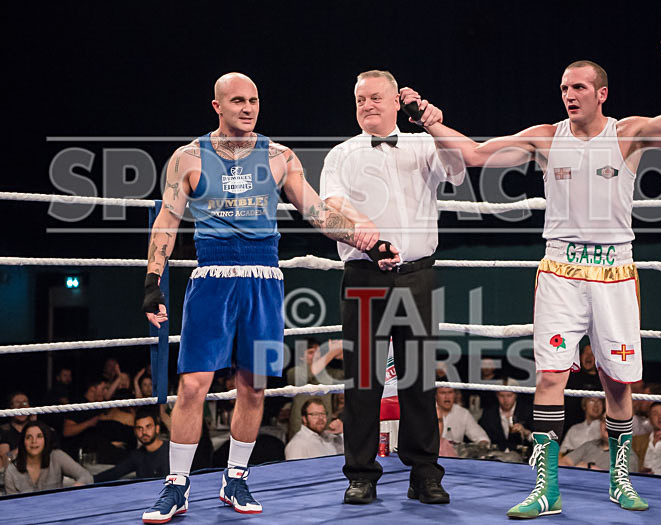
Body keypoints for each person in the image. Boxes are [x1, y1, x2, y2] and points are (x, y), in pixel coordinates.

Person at [417, 24, 661, 517]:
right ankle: (546, 488)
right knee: (550, 377)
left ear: (601, 93)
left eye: (578, 87)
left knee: (618, 383)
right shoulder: (545, 138)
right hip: (559, 270)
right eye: (563, 88)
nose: (569, 95)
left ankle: (621, 481)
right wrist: (430, 120)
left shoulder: (628, 133)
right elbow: (474, 155)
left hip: (615, 270)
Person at [140, 72, 369, 523]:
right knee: (192, 385)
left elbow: (316, 211)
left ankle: (236, 477)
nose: (248, 108)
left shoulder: (280, 156)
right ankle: (177, 485)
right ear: (217, 107)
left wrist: (367, 243)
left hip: (264, 278)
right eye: (238, 101)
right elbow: (167, 220)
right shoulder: (188, 157)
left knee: (255, 385)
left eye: (255, 100)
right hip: (212, 278)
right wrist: (153, 281)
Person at [320, 69, 466, 505]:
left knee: (419, 379)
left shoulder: (423, 143)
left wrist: (433, 123)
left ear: (395, 101)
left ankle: (425, 473)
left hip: (417, 274)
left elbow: (458, 169)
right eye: (360, 98)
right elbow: (330, 212)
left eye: (376, 97)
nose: (367, 105)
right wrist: (359, 232)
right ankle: (361, 474)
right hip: (364, 274)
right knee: (362, 381)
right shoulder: (341, 154)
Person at [4, 421, 92, 494]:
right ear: (23, 442)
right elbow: (11, 505)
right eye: (28, 437)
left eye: (39, 436)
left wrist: (71, 492)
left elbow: (86, 477)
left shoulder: (57, 456)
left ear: (46, 439)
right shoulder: (12, 470)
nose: (34, 441)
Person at [94, 410, 169, 482]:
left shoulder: (171, 450)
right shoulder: (137, 456)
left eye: (148, 427)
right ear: (135, 431)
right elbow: (114, 473)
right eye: (139, 428)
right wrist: (88, 481)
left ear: (157, 429)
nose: (144, 432)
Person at [560, 418, 639, 472]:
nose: (607, 424)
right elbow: (562, 462)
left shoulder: (628, 456)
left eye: (612, 421)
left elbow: (623, 485)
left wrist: (591, 468)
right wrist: (576, 470)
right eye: (604, 420)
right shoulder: (589, 445)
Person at [478, 380, 533, 452]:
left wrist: (525, 432)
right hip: (496, 457)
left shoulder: (527, 412)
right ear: (497, 395)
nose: (505, 400)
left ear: (516, 395)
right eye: (501, 396)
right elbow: (483, 437)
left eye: (509, 395)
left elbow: (539, 440)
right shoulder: (488, 414)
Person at [61, 379, 108, 461]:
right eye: (103, 389)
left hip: (96, 454)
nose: (105, 392)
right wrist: (89, 423)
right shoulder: (78, 405)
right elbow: (67, 431)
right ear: (93, 389)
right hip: (76, 455)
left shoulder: (99, 406)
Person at [564, 340, 602, 430]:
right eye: (586, 353)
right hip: (570, 424)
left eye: (592, 354)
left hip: (595, 426)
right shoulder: (571, 376)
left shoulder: (602, 380)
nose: (589, 356)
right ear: (580, 357)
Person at [0, 392, 37, 469]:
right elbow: (5, 459)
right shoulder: (4, 430)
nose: (21, 406)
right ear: (10, 407)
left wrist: (34, 425)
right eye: (17, 403)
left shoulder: (38, 429)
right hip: (13, 472)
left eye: (24, 403)